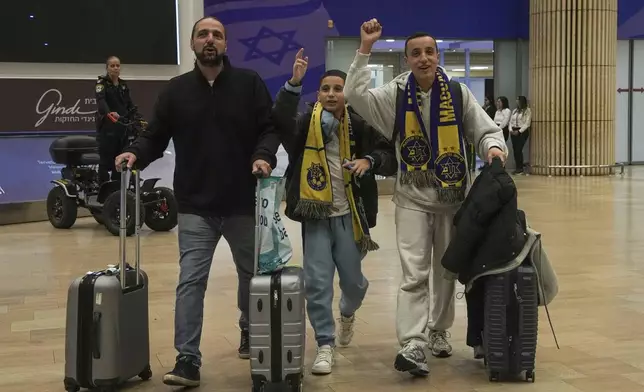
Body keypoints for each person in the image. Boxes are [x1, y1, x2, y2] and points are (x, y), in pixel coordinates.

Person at [114, 16, 280, 387]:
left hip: (241, 201)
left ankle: (249, 328)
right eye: (203, 34)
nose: (210, 40)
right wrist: (134, 155)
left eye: (217, 35)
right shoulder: (175, 91)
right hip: (194, 206)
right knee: (190, 282)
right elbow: (154, 136)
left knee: (251, 277)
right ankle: (187, 359)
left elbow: (269, 127)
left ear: (225, 45)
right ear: (192, 44)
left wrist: (264, 155)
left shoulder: (249, 84)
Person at [343, 19, 507, 377]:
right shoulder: (394, 96)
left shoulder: (459, 93)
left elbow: (484, 129)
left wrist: (493, 148)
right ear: (406, 60)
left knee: (446, 270)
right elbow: (354, 96)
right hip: (412, 198)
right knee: (414, 273)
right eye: (415, 53)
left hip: (453, 198)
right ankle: (413, 341)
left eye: (429, 52)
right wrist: (365, 48)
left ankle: (439, 330)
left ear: (437, 55)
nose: (423, 59)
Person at [271, 49, 397, 375]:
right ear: (318, 93)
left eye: (337, 89)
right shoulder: (305, 124)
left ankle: (347, 312)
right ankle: (325, 343)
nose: (331, 94)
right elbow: (280, 122)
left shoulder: (358, 123)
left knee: (354, 283)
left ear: (346, 93)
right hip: (316, 216)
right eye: (325, 89)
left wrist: (369, 162)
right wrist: (293, 83)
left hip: (349, 215)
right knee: (316, 283)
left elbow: (387, 152)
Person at [95, 55, 137, 183]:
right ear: (107, 68)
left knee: (120, 159)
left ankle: (117, 188)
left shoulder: (123, 85)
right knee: (105, 160)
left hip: (122, 128)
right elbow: (101, 101)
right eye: (112, 66)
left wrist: (136, 117)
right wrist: (110, 113)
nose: (115, 68)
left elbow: (129, 104)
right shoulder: (101, 84)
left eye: (117, 65)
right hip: (108, 127)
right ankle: (103, 188)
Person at [508, 95, 532, 174]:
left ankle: (520, 168)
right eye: (516, 100)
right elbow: (511, 122)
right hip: (513, 130)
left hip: (522, 131)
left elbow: (527, 123)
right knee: (515, 150)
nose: (517, 101)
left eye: (518, 100)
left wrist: (519, 131)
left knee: (519, 149)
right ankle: (517, 167)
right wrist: (511, 130)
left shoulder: (527, 110)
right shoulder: (514, 110)